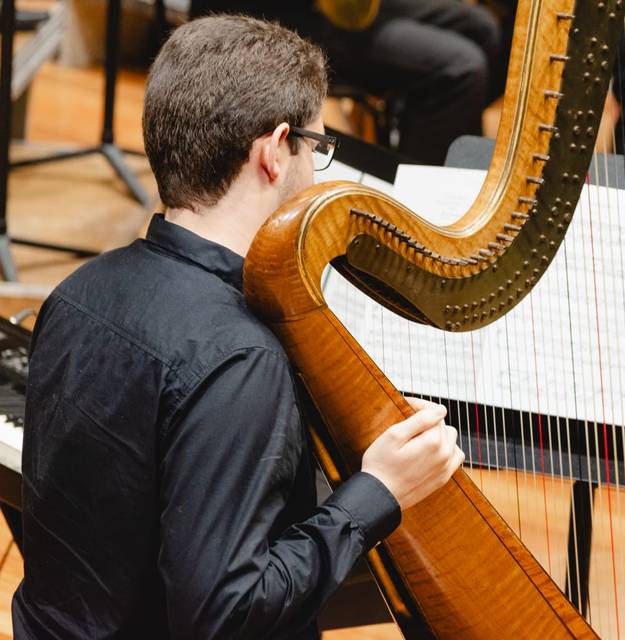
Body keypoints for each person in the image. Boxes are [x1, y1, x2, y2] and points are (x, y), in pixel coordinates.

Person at [12, 16, 464, 639]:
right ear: (275, 151)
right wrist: (377, 491)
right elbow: (224, 616)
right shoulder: (241, 357)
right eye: (318, 149)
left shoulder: (77, 291)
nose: (317, 170)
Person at [189, 0, 503, 165]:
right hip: (270, 13)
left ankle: (421, 133)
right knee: (462, 69)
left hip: (336, 10)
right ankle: (412, 205)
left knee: (484, 29)